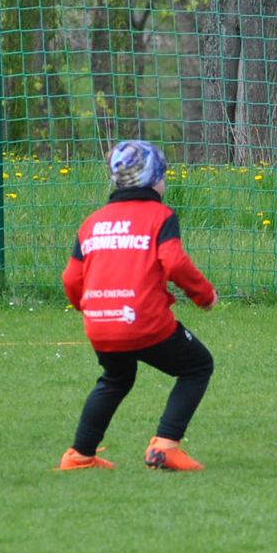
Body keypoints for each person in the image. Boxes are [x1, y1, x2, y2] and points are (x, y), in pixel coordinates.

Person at [58, 140, 217, 472]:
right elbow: (173, 262)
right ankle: (166, 446)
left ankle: (79, 455)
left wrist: (90, 308)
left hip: (100, 322)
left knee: (115, 378)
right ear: (153, 178)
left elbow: (72, 279)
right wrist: (204, 295)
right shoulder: (160, 216)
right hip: (144, 321)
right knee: (197, 366)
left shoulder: (93, 222)